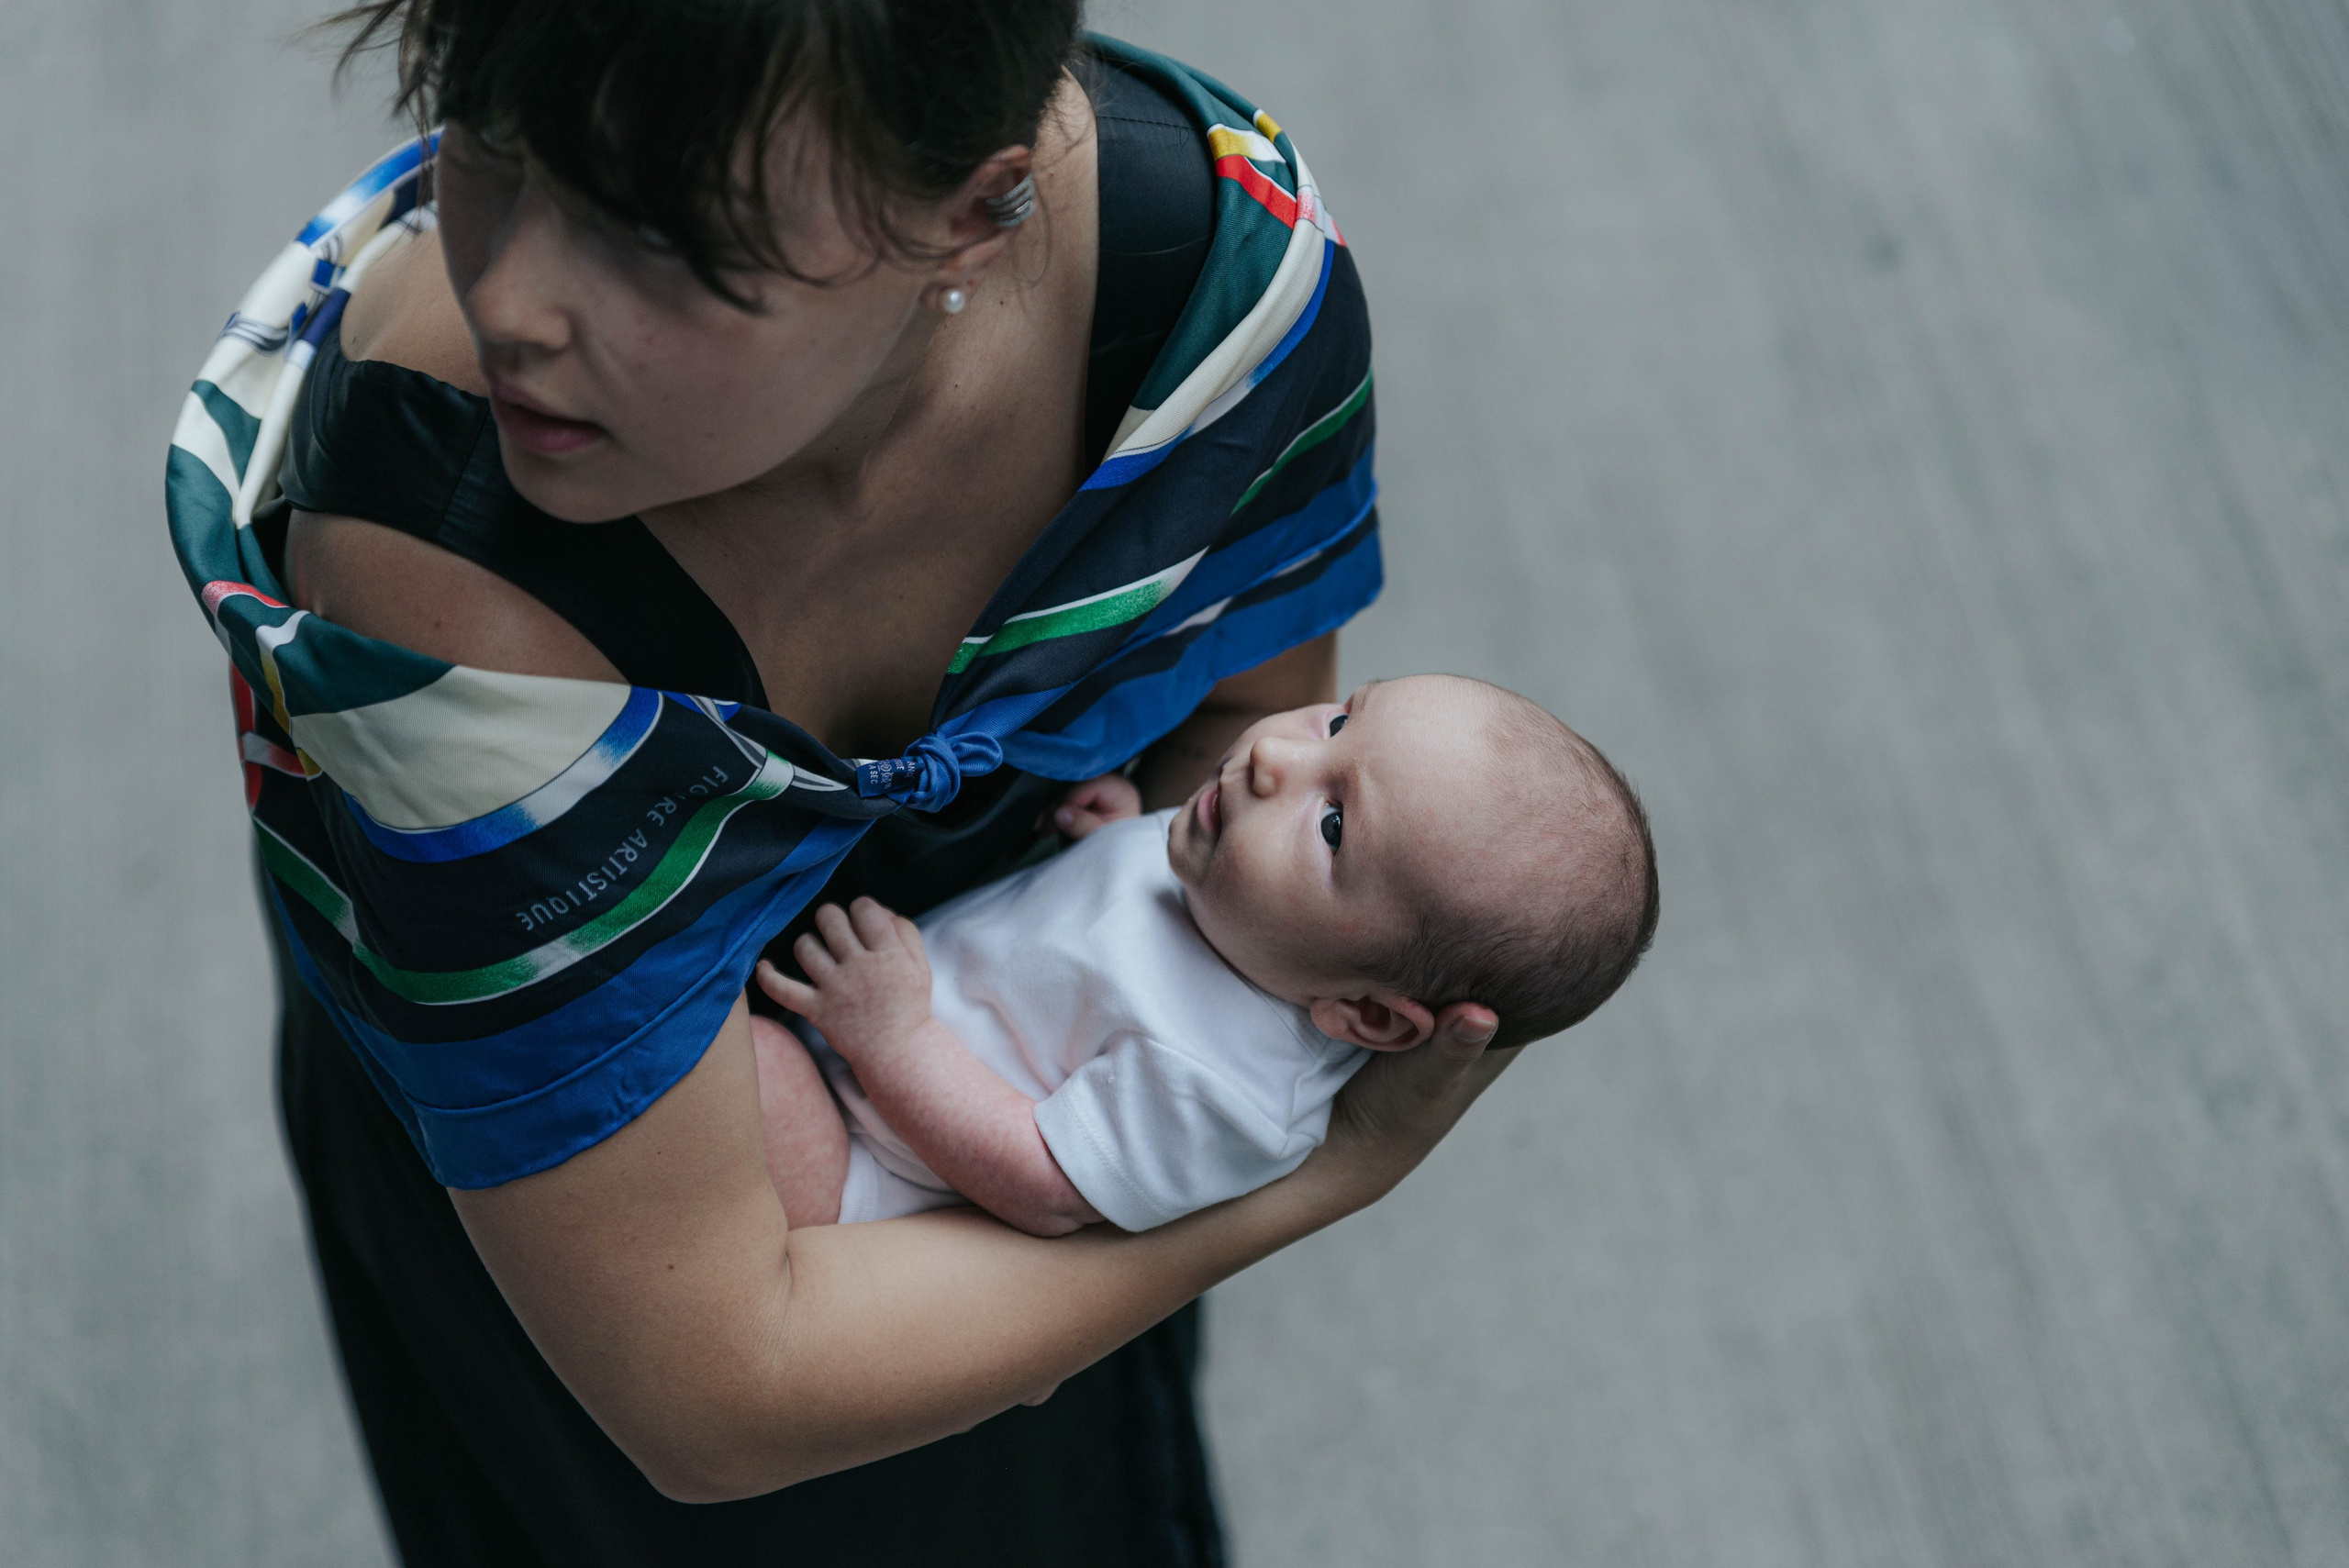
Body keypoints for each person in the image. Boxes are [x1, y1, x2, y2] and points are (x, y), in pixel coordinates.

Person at [165, 3, 1525, 1562]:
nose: (516, 303)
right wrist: (1308, 1174)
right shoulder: (439, 579)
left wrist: (1086, 1102)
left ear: (975, 207)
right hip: (592, 1201)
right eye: (486, 135)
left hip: (1004, 1082)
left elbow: (1234, 726)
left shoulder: (1213, 297)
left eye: (666, 239)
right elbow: (711, 1393)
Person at [759, 675, 1659, 1234]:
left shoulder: (1225, 1083)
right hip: (853, 1057)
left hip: (863, 1167)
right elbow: (1109, 956)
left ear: (1366, 1012)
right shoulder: (1242, 897)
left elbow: (1045, 1182)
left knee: (736, 1060)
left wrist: (895, 1039)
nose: (1274, 755)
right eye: (1340, 722)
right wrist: (1112, 842)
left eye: (1334, 823)